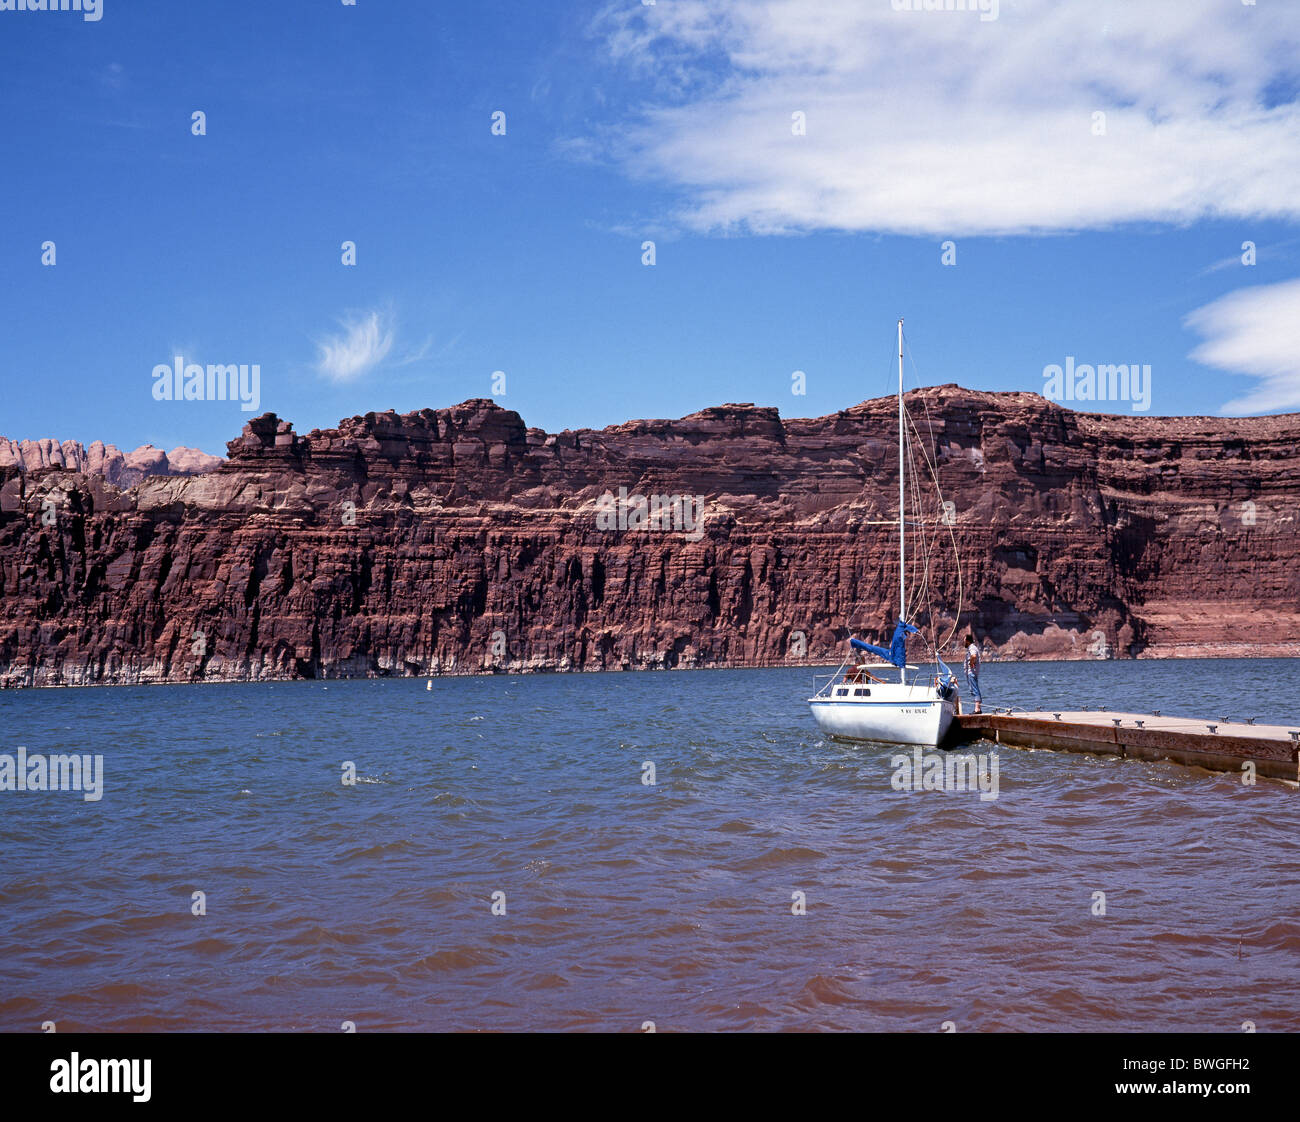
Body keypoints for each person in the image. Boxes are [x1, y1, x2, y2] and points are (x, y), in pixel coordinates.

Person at [963, 632, 983, 714]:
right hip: (971, 673)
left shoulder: (972, 648)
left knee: (974, 689)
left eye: (964, 641)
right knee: (973, 689)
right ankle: (978, 708)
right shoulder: (971, 648)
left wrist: (971, 663)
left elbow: (974, 656)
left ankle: (977, 709)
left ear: (967, 641)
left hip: (972, 673)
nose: (963, 642)